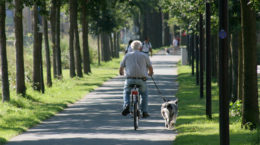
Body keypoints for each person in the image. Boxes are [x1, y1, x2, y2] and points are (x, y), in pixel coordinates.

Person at [119, 40, 154, 118]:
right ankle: (144, 111)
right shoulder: (145, 56)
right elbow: (150, 67)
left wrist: (121, 72)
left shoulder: (127, 55)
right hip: (141, 79)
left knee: (126, 92)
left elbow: (121, 68)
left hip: (130, 79)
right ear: (140, 48)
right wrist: (150, 73)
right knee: (144, 94)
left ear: (131, 47)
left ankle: (127, 104)